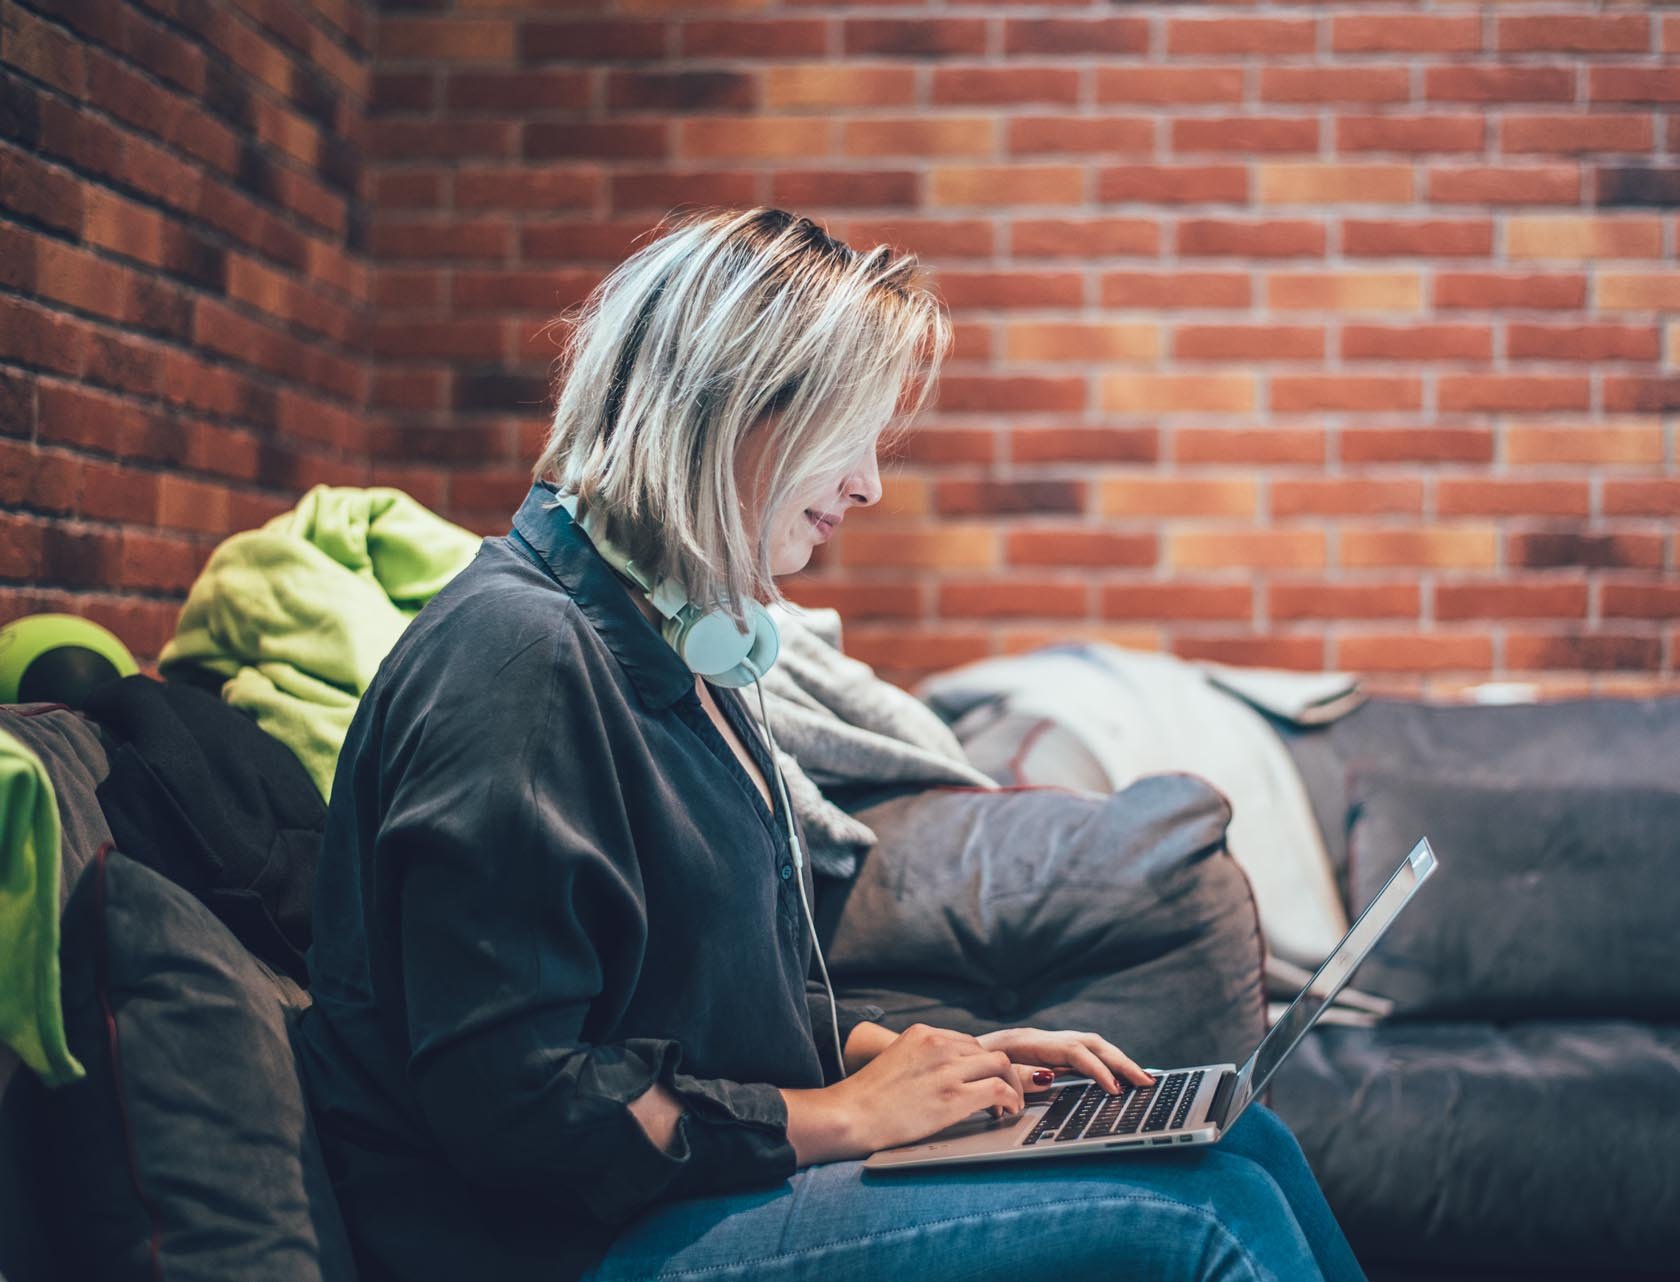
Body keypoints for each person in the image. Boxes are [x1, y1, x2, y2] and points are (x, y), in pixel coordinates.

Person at [292, 206, 1369, 1282]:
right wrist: (843, 1116)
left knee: (1240, 1143)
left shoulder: (682, 647)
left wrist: (921, 1065)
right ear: (733, 415)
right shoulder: (517, 657)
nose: (869, 485)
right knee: (1204, 1217)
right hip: (560, 1249)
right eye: (848, 437)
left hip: (662, 1206)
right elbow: (519, 1110)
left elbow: (702, 1007)